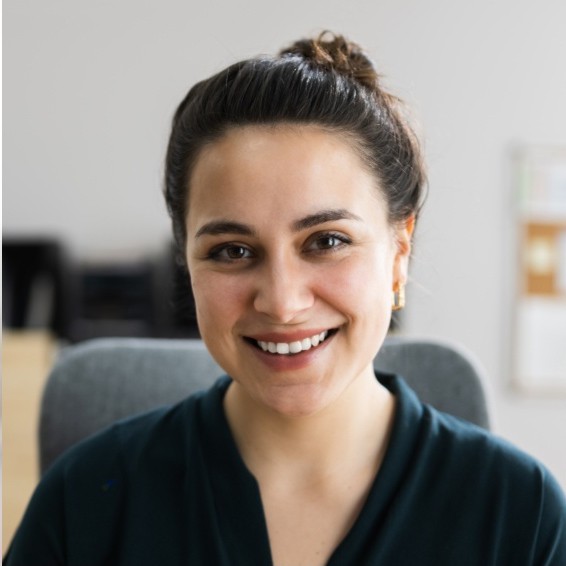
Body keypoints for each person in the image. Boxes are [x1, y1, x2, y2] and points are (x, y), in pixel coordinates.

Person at [5, 32, 566, 566]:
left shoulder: (521, 514)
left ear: (399, 253)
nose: (282, 302)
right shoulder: (85, 504)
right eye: (232, 251)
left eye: (326, 242)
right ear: (187, 265)